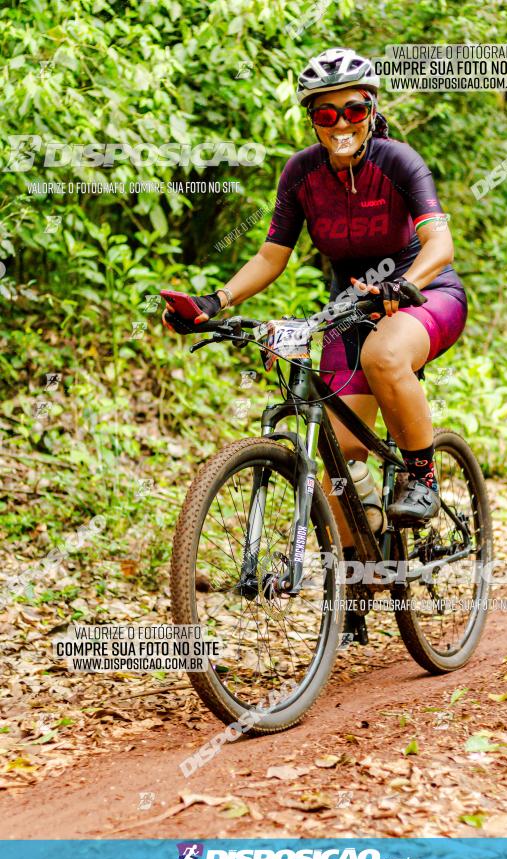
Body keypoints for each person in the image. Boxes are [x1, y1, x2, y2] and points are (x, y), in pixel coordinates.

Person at [163, 47, 468, 546]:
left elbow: (441, 242)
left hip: (422, 293)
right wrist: (215, 302)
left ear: (371, 109)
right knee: (342, 469)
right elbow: (270, 257)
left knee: (385, 354)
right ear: (312, 119)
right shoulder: (301, 173)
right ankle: (354, 600)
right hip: (349, 308)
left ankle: (422, 474)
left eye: (354, 110)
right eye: (326, 113)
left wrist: (404, 281)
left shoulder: (398, 161)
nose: (341, 123)